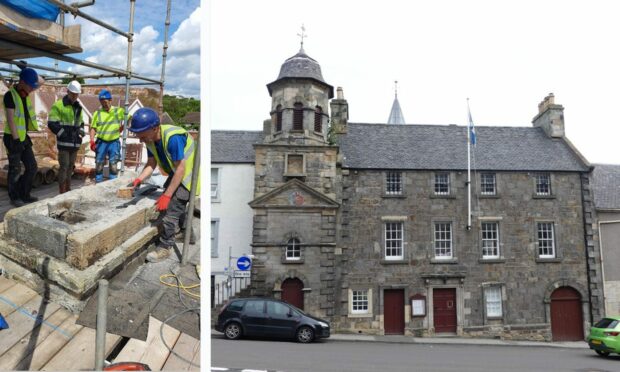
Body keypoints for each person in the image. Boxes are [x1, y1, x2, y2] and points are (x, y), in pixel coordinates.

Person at [128, 107, 200, 263]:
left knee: (170, 212)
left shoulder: (172, 138)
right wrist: (139, 179)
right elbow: (151, 164)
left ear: (154, 128)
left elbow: (181, 169)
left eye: (142, 135)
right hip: (178, 173)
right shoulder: (150, 139)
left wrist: (167, 195)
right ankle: (188, 234)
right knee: (177, 206)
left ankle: (165, 247)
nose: (140, 139)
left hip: (190, 177)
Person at [2, 67, 42, 207]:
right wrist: (16, 139)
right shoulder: (10, 95)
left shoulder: (25, 92)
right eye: (30, 85)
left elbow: (41, 81)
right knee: (15, 169)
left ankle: (24, 194)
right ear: (22, 82)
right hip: (12, 137)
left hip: (23, 136)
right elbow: (11, 120)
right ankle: (14, 197)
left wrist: (26, 69)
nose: (32, 88)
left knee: (32, 167)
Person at [48, 80, 84, 194]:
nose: (74, 96)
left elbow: (80, 123)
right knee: (64, 166)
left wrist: (81, 133)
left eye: (76, 94)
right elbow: (52, 123)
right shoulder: (59, 105)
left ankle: (68, 188)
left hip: (75, 143)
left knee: (70, 167)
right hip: (64, 143)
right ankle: (62, 190)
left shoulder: (78, 107)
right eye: (73, 93)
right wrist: (63, 135)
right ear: (67, 91)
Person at [89, 89, 127, 183]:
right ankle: (98, 182)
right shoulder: (97, 113)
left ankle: (112, 182)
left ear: (110, 100)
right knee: (99, 163)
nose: (104, 104)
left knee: (113, 163)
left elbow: (129, 119)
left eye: (105, 102)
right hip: (101, 142)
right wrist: (92, 141)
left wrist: (122, 128)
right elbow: (93, 128)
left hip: (114, 142)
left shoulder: (118, 111)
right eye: (102, 102)